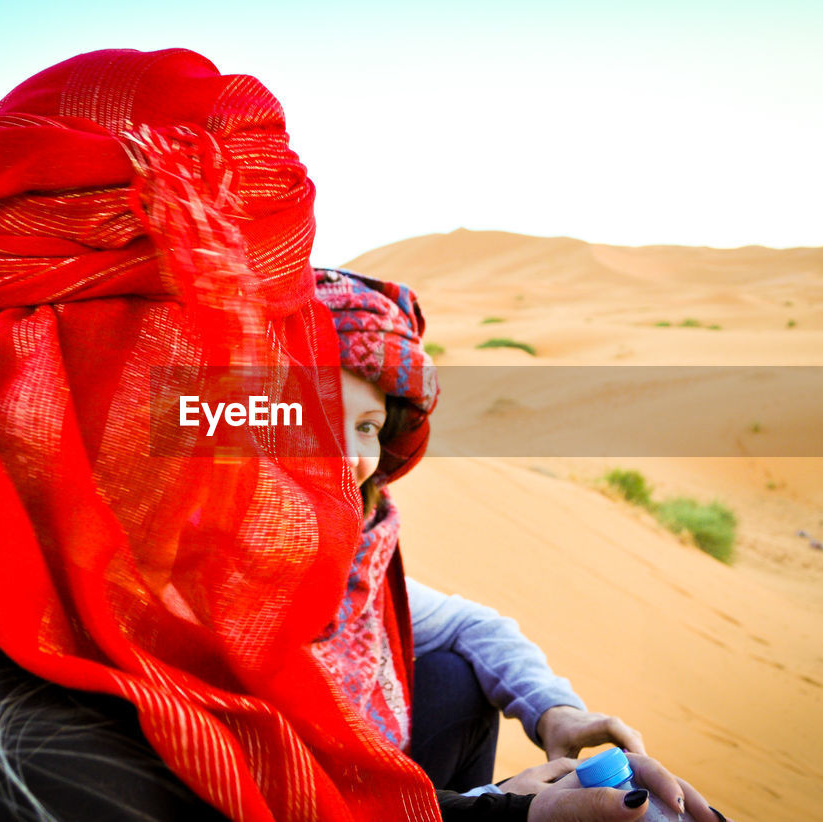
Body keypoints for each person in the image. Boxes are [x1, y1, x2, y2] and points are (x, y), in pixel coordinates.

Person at [0, 47, 722, 822]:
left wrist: (536, 737)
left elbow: (454, 631)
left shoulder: (16, 596)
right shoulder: (5, 774)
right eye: (265, 355)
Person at [312, 268, 731, 821]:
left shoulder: (351, 570)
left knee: (454, 674)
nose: (349, 456)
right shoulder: (204, 590)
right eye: (317, 416)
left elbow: (471, 625)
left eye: (367, 425)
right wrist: (510, 810)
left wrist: (555, 713)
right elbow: (302, 798)